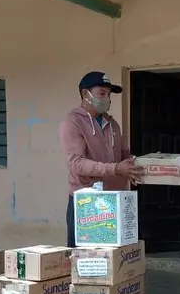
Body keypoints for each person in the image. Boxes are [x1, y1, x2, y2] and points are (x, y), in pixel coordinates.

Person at [58, 71, 143, 247]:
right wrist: (115, 169)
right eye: (102, 93)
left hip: (113, 201)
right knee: (84, 261)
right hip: (86, 203)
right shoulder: (73, 122)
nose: (107, 98)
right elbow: (76, 164)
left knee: (111, 260)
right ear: (85, 94)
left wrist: (133, 167)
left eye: (109, 94)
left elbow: (122, 155)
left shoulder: (112, 124)